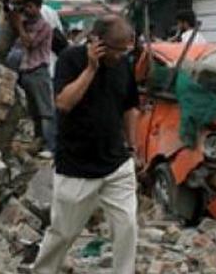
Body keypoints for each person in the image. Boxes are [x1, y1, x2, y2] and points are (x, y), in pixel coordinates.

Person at [32, 15, 139, 274]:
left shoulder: (124, 64)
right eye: (117, 48)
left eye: (127, 48)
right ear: (97, 41)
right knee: (63, 232)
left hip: (116, 163)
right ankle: (43, 270)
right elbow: (64, 103)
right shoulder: (71, 59)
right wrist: (91, 69)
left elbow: (130, 108)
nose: (122, 54)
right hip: (77, 166)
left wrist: (133, 148)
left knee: (127, 227)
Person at [14, 0, 57, 157]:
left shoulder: (44, 26)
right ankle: (39, 142)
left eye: (30, 6)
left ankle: (49, 146)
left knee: (45, 111)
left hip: (39, 70)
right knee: (34, 112)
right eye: (25, 6)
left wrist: (18, 25)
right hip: (26, 71)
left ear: (39, 7)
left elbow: (29, 43)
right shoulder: (25, 24)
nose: (27, 10)